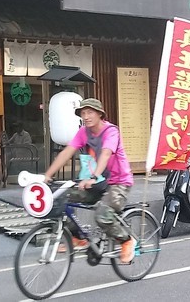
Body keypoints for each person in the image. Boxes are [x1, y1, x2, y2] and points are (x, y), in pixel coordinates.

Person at [44, 98, 135, 263]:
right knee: (63, 198)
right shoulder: (83, 132)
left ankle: (126, 240)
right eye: (83, 113)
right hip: (96, 182)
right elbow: (66, 153)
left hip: (117, 182)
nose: (86, 117)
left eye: (90, 112)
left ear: (100, 114)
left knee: (102, 215)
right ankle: (77, 237)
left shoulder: (111, 131)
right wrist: (47, 175)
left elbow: (106, 153)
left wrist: (93, 177)